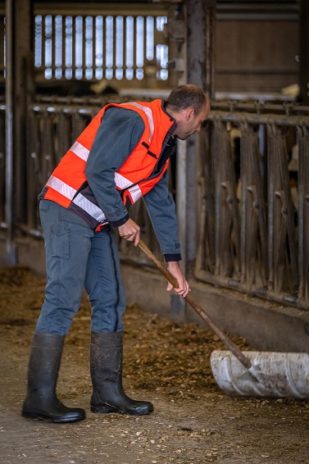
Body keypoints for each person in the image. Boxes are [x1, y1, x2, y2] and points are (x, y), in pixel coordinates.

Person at [22, 84, 210, 423]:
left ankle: (107, 394)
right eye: (201, 121)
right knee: (63, 297)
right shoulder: (133, 119)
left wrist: (174, 263)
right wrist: (122, 219)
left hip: (96, 218)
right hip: (66, 208)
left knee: (110, 298)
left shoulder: (162, 144)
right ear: (190, 113)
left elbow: (160, 202)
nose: (199, 129)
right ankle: (38, 398)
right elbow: (97, 170)